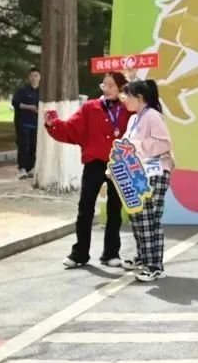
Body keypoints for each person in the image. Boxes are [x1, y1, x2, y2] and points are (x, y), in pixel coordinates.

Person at [44, 72, 131, 269]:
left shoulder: (128, 108)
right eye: (104, 85)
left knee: (115, 209)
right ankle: (80, 253)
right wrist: (53, 124)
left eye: (111, 85)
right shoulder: (90, 107)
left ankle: (111, 253)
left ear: (121, 88)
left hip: (120, 164)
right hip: (94, 163)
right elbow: (71, 128)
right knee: (85, 208)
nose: (107, 89)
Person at [120, 79, 175, 283]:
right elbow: (125, 145)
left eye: (128, 95)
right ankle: (144, 258)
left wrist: (135, 145)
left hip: (156, 171)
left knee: (149, 218)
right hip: (139, 172)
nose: (124, 99)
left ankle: (154, 266)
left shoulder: (152, 115)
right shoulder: (133, 119)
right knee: (138, 216)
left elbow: (164, 143)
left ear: (140, 97)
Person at [11, 68, 41, 179]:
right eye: (31, 76)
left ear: (40, 77)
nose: (34, 78)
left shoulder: (41, 92)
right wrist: (29, 107)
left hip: (36, 124)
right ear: (28, 78)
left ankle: (31, 168)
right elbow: (15, 103)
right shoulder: (22, 91)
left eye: (36, 76)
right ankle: (22, 169)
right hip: (23, 123)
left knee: (33, 146)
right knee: (24, 145)